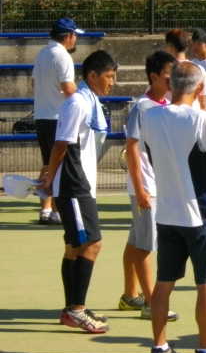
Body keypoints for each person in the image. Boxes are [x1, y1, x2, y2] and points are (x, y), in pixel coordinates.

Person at [140, 61, 206, 353]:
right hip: (200, 216)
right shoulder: (201, 120)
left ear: (170, 85)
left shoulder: (150, 116)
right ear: (199, 88)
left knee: (163, 283)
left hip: (166, 213)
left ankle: (160, 348)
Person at [40, 50, 118, 334]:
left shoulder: (90, 100)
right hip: (74, 186)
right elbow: (61, 144)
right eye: (109, 77)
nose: (112, 83)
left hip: (77, 184)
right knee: (92, 244)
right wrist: (50, 176)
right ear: (92, 75)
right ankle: (77, 310)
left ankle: (72, 309)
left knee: (74, 247)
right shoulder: (77, 102)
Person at [118, 51, 179, 322]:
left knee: (136, 241)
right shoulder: (142, 107)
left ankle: (130, 296)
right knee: (146, 245)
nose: (172, 78)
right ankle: (152, 303)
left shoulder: (165, 103)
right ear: (154, 76)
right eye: (168, 73)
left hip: (155, 185)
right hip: (146, 187)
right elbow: (131, 148)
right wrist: (141, 188)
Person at [32, 17, 82, 225]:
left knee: (48, 164)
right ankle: (56, 211)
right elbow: (68, 88)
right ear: (68, 36)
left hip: (42, 117)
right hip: (57, 119)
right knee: (60, 167)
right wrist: (86, 100)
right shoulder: (63, 57)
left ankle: (47, 210)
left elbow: (33, 84)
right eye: (75, 35)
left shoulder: (42, 53)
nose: (76, 38)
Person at [165, 28, 206, 110]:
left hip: (168, 116)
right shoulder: (199, 69)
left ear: (169, 48)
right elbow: (203, 104)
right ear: (186, 48)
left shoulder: (164, 70)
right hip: (193, 117)